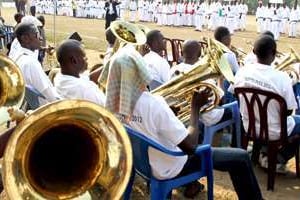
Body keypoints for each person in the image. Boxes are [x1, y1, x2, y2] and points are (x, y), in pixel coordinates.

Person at [99, 22, 263, 200]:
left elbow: (147, 123)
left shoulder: (116, 104)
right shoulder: (154, 104)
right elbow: (191, 146)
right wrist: (195, 109)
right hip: (172, 165)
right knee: (240, 158)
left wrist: (169, 113)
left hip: (145, 164)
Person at [229, 35, 300, 170]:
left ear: (254, 52)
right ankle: (279, 157)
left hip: (249, 126)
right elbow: (289, 111)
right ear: (274, 54)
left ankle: (263, 151)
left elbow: (235, 94)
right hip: (274, 131)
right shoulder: (282, 78)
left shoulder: (242, 71)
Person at [12, 22, 60, 105]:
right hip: (44, 110)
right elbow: (49, 95)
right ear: (26, 38)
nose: (41, 38)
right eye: (37, 34)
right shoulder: (30, 63)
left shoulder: (18, 57)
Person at [54, 39, 105, 106]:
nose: (87, 59)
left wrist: (108, 65)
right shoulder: (85, 90)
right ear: (74, 60)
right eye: (84, 57)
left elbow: (87, 77)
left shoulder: (60, 76)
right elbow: (107, 108)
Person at [214, 26, 239, 104]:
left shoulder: (213, 50)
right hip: (226, 91)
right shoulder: (230, 55)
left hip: (216, 85)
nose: (230, 39)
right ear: (225, 39)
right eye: (229, 36)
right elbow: (238, 72)